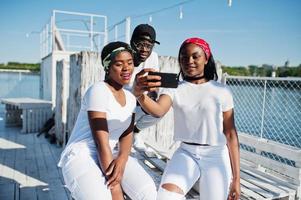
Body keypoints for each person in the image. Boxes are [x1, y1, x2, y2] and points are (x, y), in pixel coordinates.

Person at [133, 37, 241, 200]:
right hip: (186, 153)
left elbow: (231, 135)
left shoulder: (222, 91)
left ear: (206, 58)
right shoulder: (175, 88)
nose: (189, 61)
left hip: (216, 155)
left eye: (195, 56)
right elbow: (158, 110)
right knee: (165, 197)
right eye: (184, 57)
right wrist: (139, 94)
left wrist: (237, 180)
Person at [58, 41, 157, 200]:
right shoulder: (98, 90)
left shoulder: (131, 98)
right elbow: (100, 142)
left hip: (112, 152)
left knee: (148, 192)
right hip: (82, 154)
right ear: (107, 67)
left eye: (130, 63)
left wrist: (123, 159)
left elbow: (127, 133)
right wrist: (116, 188)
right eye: (119, 64)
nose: (126, 68)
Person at [125, 24, 161, 151]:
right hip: (121, 101)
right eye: (140, 44)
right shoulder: (122, 55)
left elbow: (154, 83)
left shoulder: (153, 57)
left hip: (139, 98)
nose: (145, 49)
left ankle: (135, 132)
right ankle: (124, 136)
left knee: (158, 110)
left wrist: (153, 95)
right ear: (132, 43)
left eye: (149, 45)